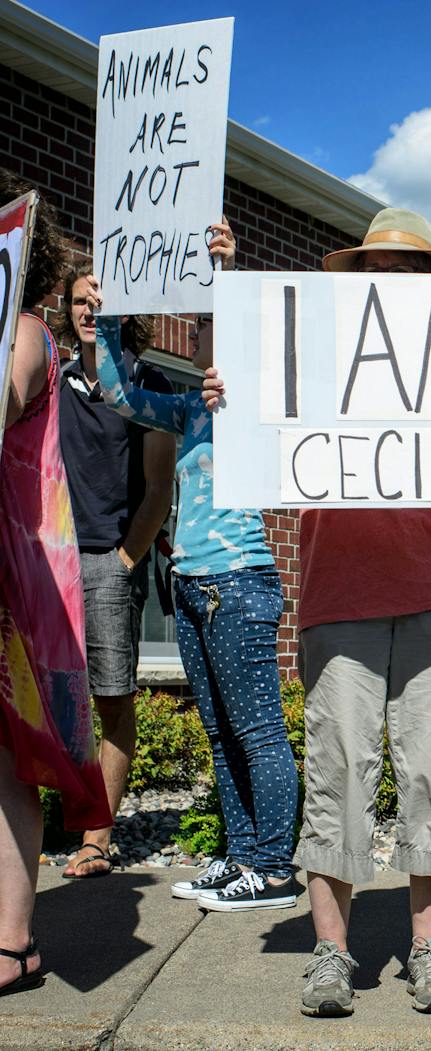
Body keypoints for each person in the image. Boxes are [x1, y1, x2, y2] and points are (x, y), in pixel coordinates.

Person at [202, 207, 431, 1017]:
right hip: (343, 592)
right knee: (338, 775)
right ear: (354, 280)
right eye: (377, 268)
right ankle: (332, 953)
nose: (391, 281)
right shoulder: (316, 360)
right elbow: (255, 401)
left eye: (410, 270)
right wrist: (228, 386)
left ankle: (430, 947)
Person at [87, 221, 302, 912]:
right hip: (190, 586)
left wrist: (228, 270)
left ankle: (272, 868)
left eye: (215, 328)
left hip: (239, 583)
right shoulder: (184, 408)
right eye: (204, 329)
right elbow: (118, 396)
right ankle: (240, 856)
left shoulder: (266, 407)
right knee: (219, 731)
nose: (204, 338)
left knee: (259, 730)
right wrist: (114, 310)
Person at [0, 175, 109, 994]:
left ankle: (12, 942)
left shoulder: (27, 334)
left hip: (15, 577)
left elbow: (4, 400)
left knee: (10, 761)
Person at [54, 263, 177, 879]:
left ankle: (98, 838)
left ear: (123, 312)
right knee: (48, 694)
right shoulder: (54, 378)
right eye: (79, 300)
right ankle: (61, 814)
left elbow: (159, 487)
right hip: (49, 558)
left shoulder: (145, 383)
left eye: (99, 301)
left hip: (107, 558)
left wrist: (127, 559)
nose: (87, 310)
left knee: (112, 698)